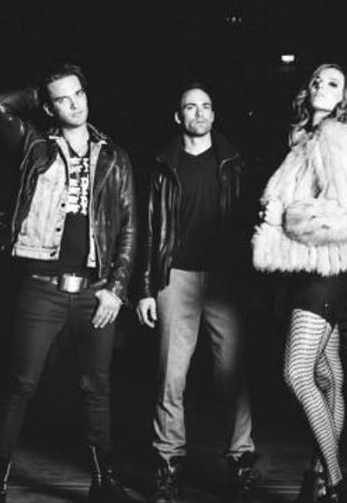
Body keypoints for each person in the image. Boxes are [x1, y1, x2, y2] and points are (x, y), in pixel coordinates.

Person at [0, 63, 141, 503]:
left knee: (96, 387)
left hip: (95, 291)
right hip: (42, 287)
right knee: (21, 385)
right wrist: (39, 95)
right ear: (50, 107)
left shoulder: (115, 156)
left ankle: (103, 483)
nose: (75, 104)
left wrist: (117, 288)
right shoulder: (35, 146)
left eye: (79, 94)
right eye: (62, 99)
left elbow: (129, 226)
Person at [252, 63, 347, 503]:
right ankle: (316, 481)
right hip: (308, 268)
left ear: (344, 97)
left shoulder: (339, 137)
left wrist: (287, 216)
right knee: (328, 376)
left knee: (297, 372)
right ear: (306, 92)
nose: (322, 86)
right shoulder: (305, 139)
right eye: (316, 81)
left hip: (330, 270)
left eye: (333, 83)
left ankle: (337, 485)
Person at [134, 84, 258, 503]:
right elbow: (149, 230)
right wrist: (145, 288)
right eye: (191, 107)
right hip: (176, 278)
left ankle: (240, 463)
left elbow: (251, 223)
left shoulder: (235, 161)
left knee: (232, 376)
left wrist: (250, 282)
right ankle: (168, 465)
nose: (199, 113)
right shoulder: (162, 165)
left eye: (206, 106)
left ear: (214, 114)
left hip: (225, 279)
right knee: (171, 377)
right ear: (179, 117)